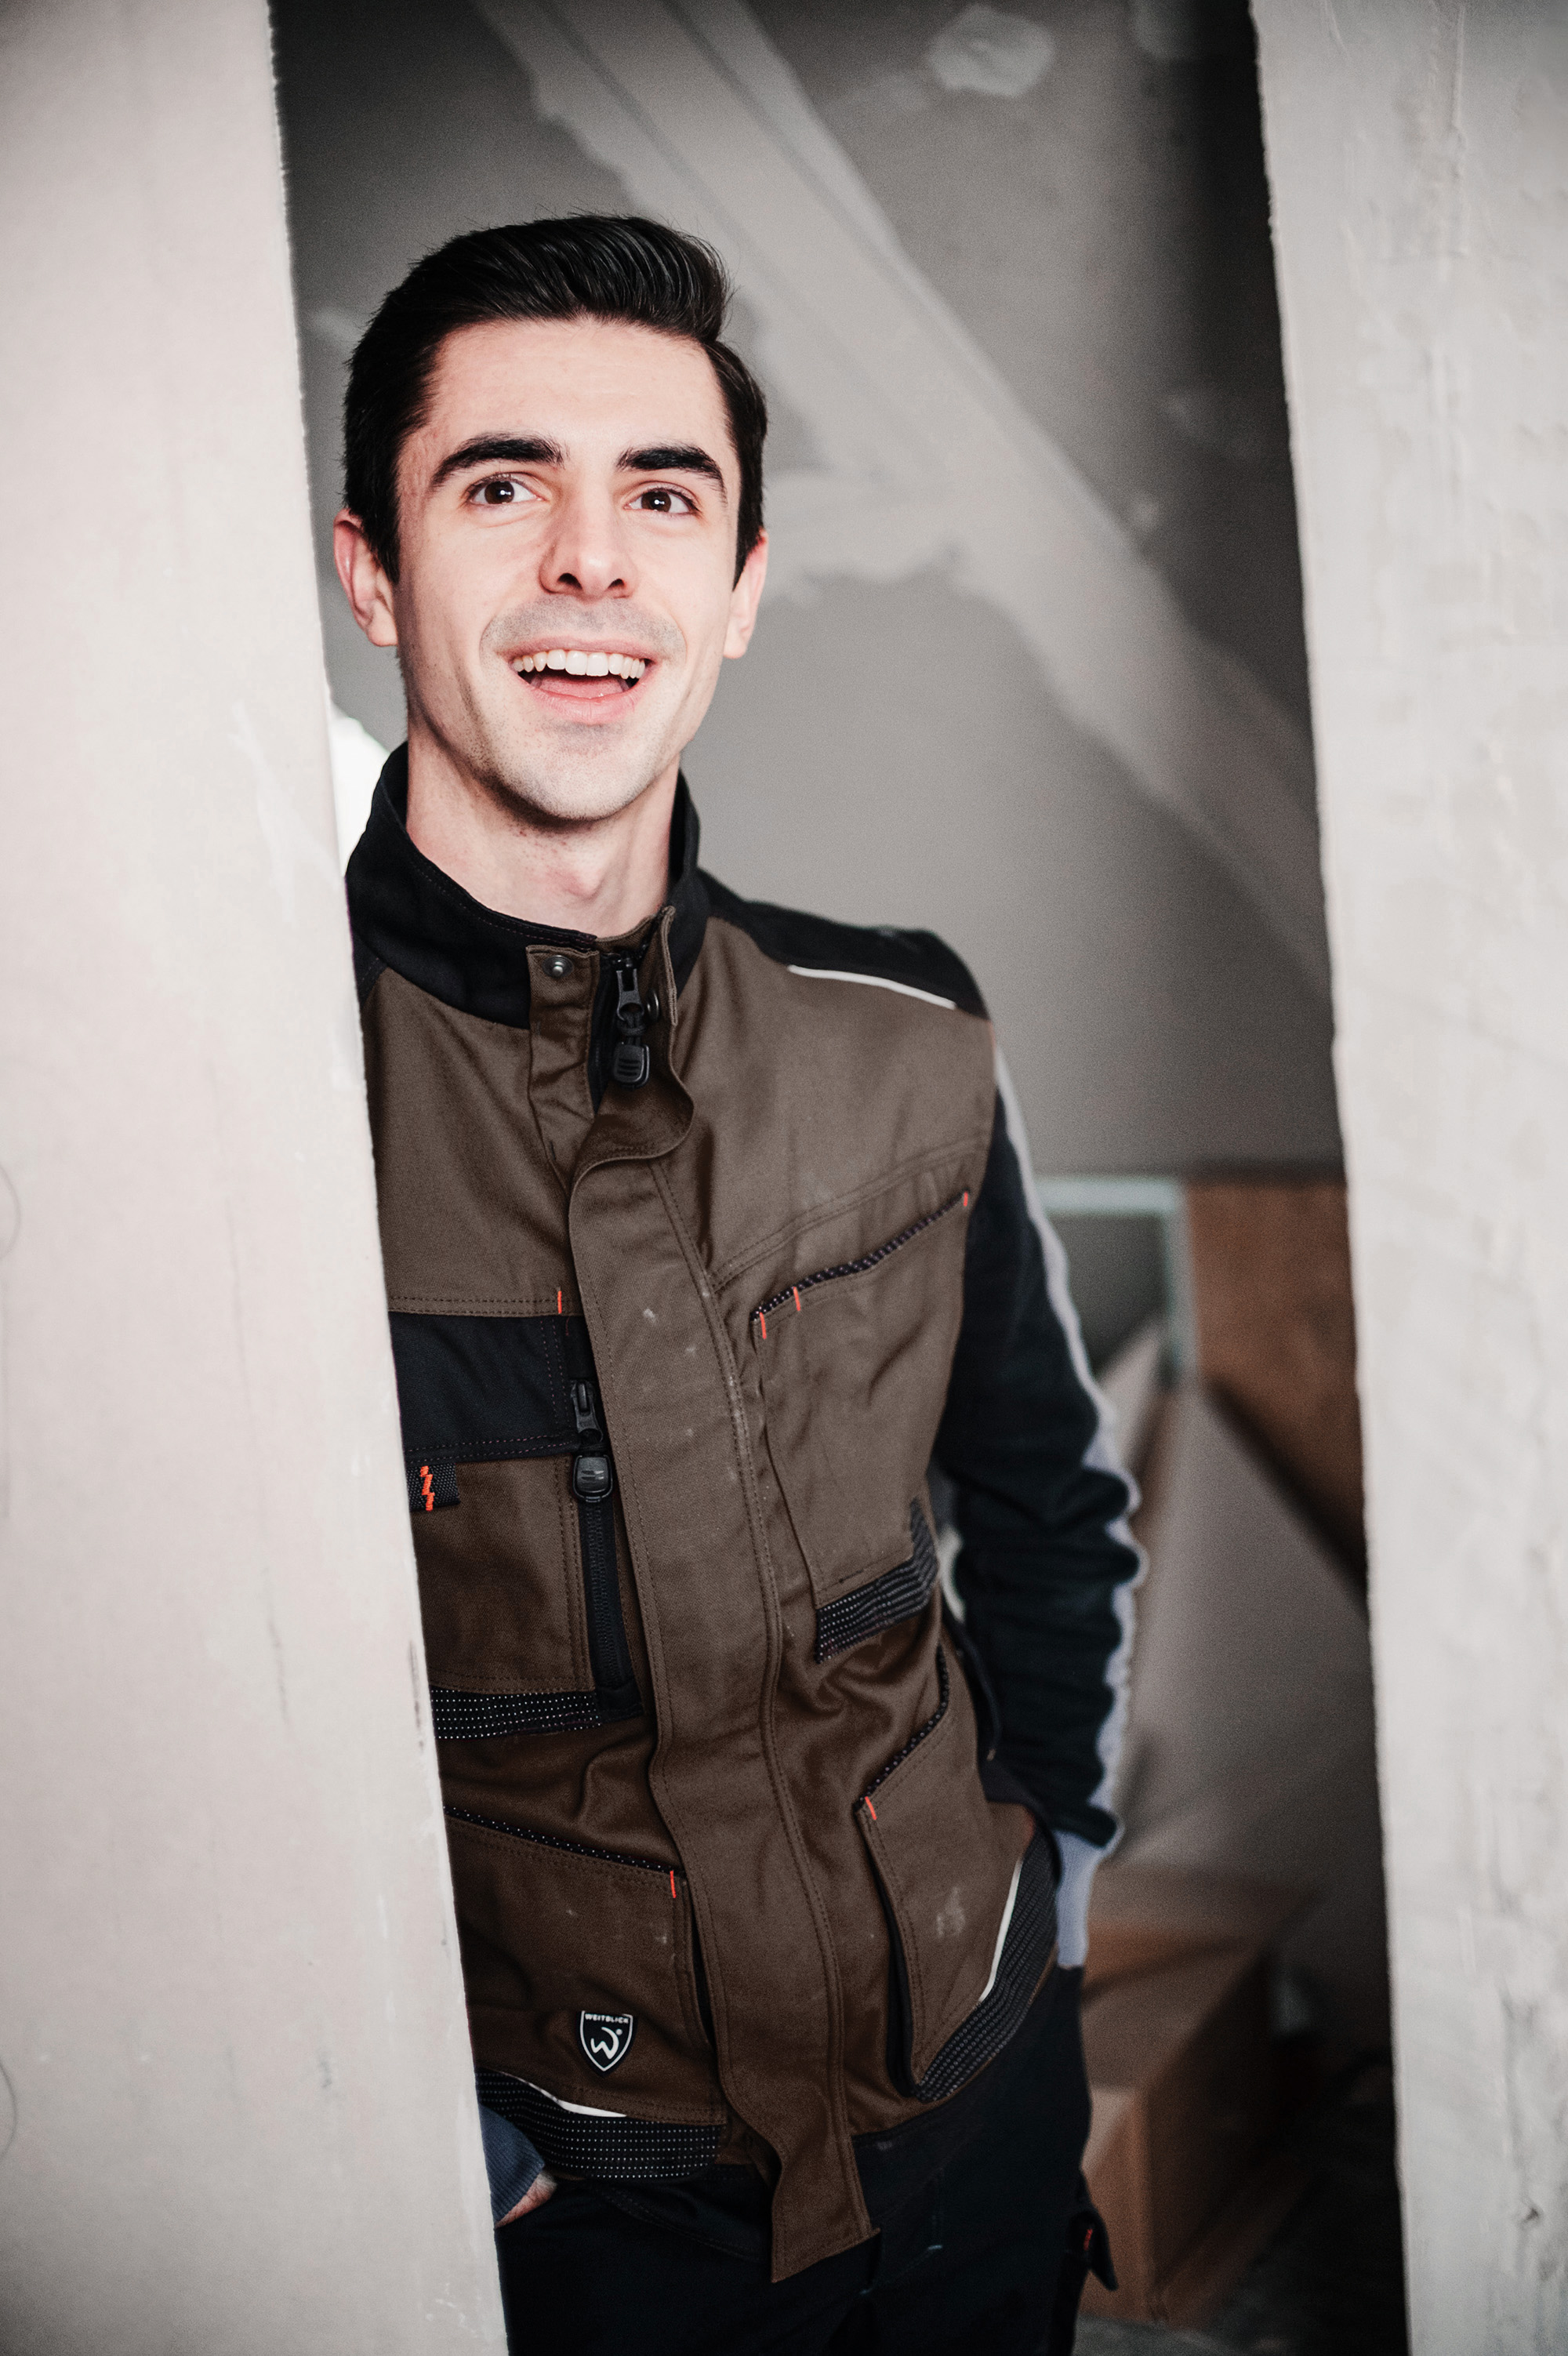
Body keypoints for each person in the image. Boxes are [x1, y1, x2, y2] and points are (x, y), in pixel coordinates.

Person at [335, 215, 1136, 2355]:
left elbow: (1050, 1505)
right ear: (373, 573)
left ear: (745, 586)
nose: (593, 562)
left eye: (665, 497)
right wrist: (398, 2130)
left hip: (973, 2126)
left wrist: (1047, 1885)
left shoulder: (907, 1033)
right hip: (571, 2226)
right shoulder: (239, 1130)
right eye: (503, 486)